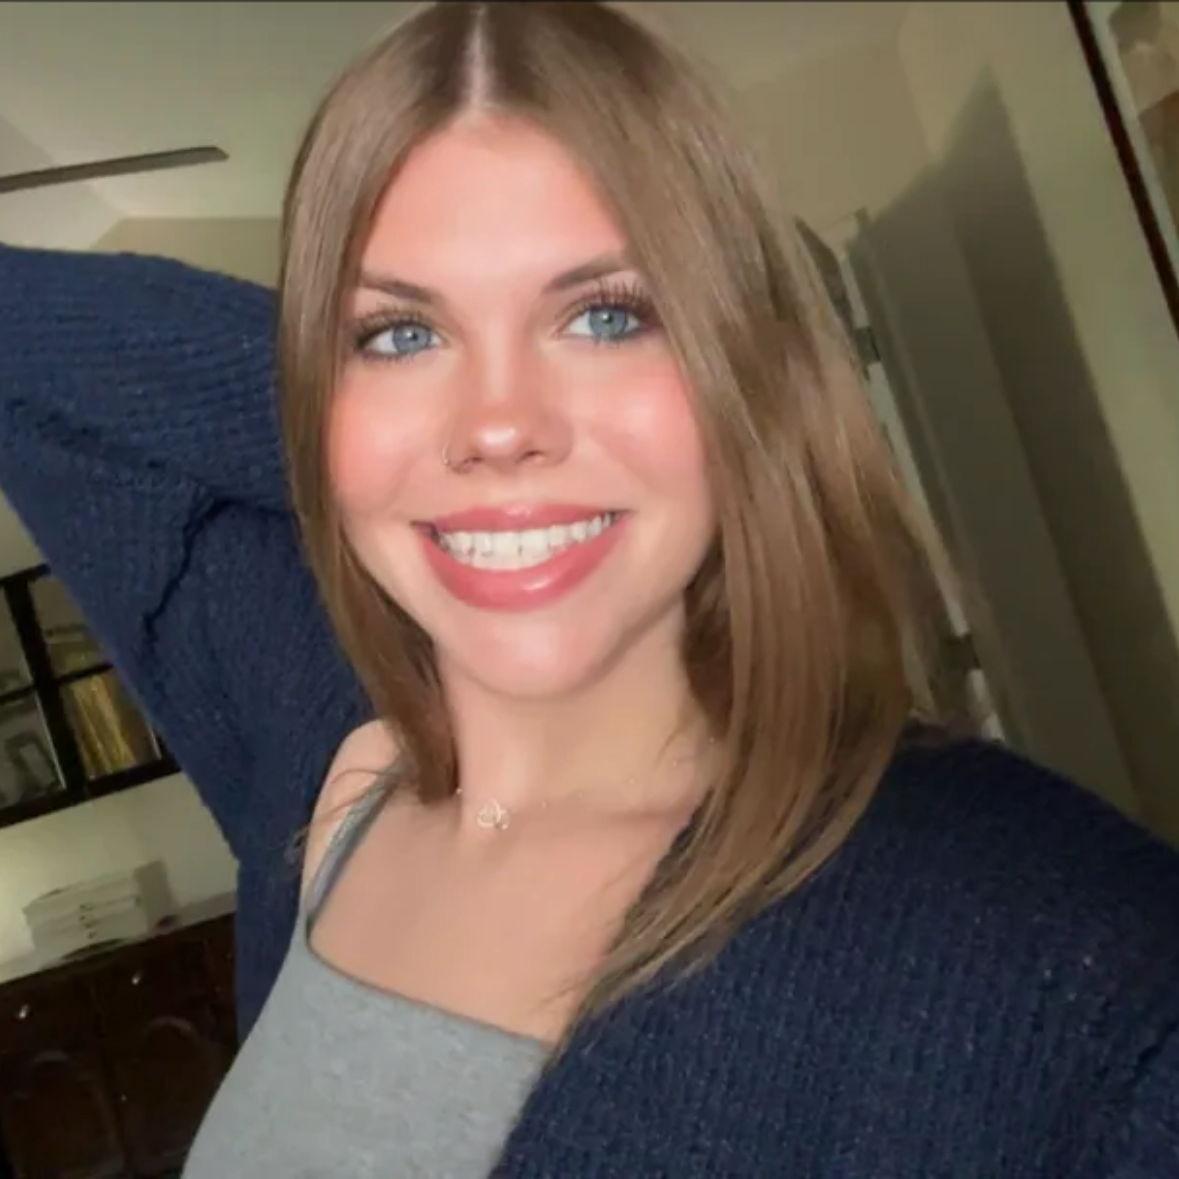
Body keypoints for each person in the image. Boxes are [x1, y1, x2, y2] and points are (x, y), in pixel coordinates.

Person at [1, 2, 1177, 1175]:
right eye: (399, 334)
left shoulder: (1063, 964)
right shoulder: (344, 788)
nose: (499, 423)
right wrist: (367, 458)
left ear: (747, 376)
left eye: (608, 315)